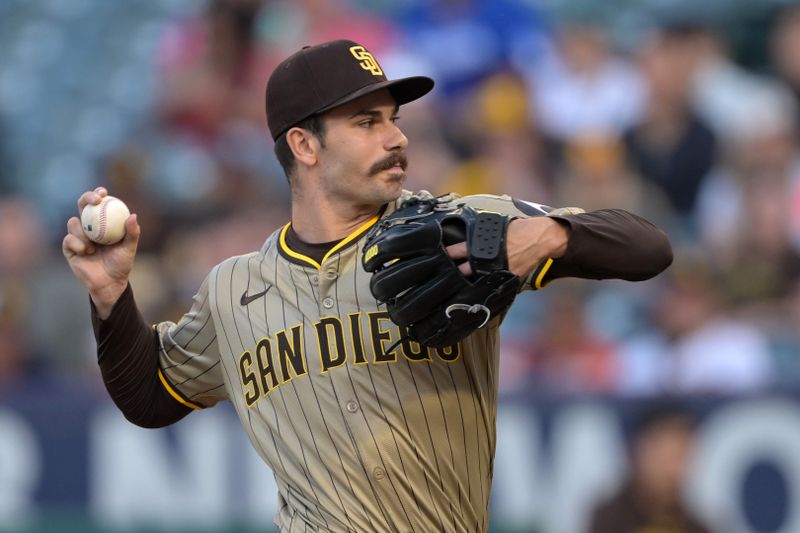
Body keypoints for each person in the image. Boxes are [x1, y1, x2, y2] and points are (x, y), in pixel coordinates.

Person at [62, 40, 672, 532]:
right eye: (365, 121)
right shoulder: (232, 289)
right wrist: (112, 296)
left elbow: (649, 247)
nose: (396, 137)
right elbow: (149, 398)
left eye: (394, 119)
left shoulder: (453, 228)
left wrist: (545, 237)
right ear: (303, 144)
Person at [588, 404, 712, 533]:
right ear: (640, 453)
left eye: (681, 458)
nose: (673, 470)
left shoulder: (696, 526)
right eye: (666, 458)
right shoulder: (609, 519)